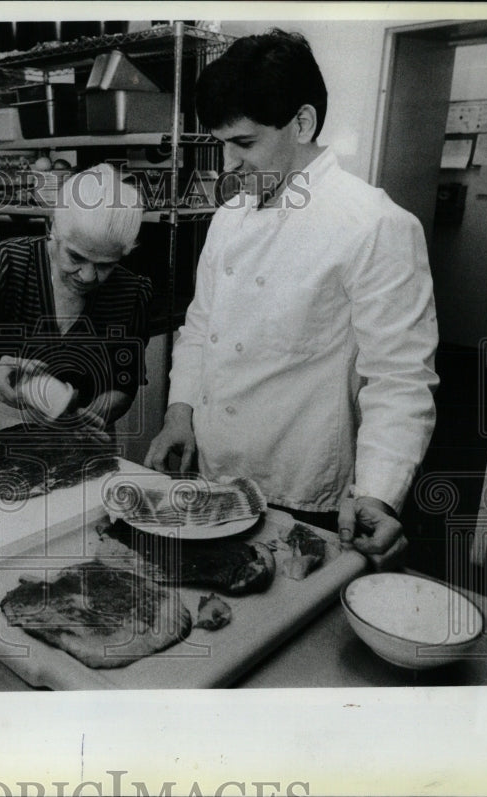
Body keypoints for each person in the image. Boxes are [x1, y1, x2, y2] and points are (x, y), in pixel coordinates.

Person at [144, 30, 439, 568]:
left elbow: (400, 379)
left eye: (245, 143)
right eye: (221, 143)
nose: (227, 163)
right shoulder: (230, 216)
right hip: (213, 470)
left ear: (302, 123)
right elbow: (201, 324)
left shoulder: (375, 225)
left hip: (300, 489)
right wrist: (179, 413)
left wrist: (378, 491)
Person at [0, 163, 152, 431]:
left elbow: (124, 383)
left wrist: (91, 416)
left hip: (79, 438)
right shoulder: (9, 262)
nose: (87, 276)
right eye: (75, 256)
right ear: (53, 228)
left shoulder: (130, 292)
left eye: (105, 265)